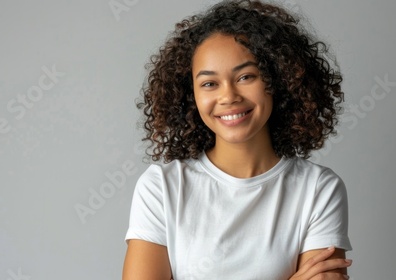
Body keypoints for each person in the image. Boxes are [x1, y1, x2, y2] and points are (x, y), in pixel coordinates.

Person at [122, 0, 352, 279]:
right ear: (190, 94)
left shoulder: (318, 189)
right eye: (209, 83)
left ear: (277, 80)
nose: (229, 96)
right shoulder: (162, 186)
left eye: (246, 76)